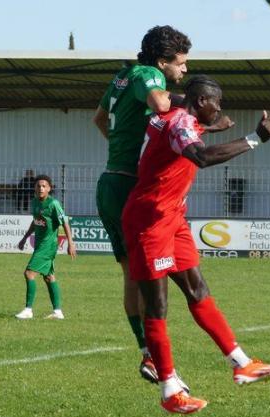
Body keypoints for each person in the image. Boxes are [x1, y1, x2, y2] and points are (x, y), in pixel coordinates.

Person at [121, 75, 270, 414]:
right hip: (149, 223)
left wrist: (210, 126)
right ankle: (170, 390)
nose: (220, 107)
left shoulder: (179, 118)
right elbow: (201, 156)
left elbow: (179, 126)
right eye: (217, 102)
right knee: (157, 306)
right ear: (200, 103)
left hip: (172, 219)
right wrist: (255, 138)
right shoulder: (182, 122)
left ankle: (241, 363)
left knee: (198, 289)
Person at [92, 25, 194, 384]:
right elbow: (161, 103)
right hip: (130, 187)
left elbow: (100, 119)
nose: (184, 71)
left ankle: (147, 352)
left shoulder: (121, 76)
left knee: (132, 276)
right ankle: (154, 356)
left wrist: (126, 146)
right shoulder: (149, 74)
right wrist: (192, 101)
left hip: (110, 181)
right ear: (162, 61)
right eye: (180, 64)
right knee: (152, 275)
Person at [15, 175, 76, 319]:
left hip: (48, 246)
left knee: (29, 273)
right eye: (38, 186)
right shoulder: (35, 202)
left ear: (49, 188)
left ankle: (28, 310)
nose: (41, 188)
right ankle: (58, 312)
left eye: (44, 186)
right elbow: (35, 222)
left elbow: (65, 222)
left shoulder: (53, 204)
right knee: (49, 277)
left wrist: (71, 243)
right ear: (35, 188)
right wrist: (24, 238)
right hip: (39, 245)